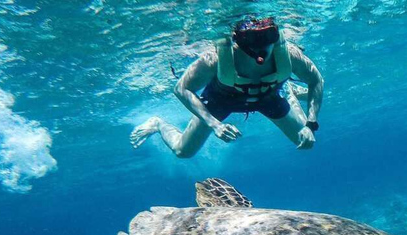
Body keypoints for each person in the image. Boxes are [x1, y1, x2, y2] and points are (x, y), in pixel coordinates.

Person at [130, 18, 323, 157]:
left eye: (267, 36)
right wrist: (215, 124)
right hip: (221, 99)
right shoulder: (217, 58)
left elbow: (316, 80)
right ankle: (158, 124)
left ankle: (289, 91)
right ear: (240, 41)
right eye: (253, 39)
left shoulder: (289, 54)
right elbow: (181, 88)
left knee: (305, 142)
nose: (262, 45)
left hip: (268, 96)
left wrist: (310, 124)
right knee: (182, 151)